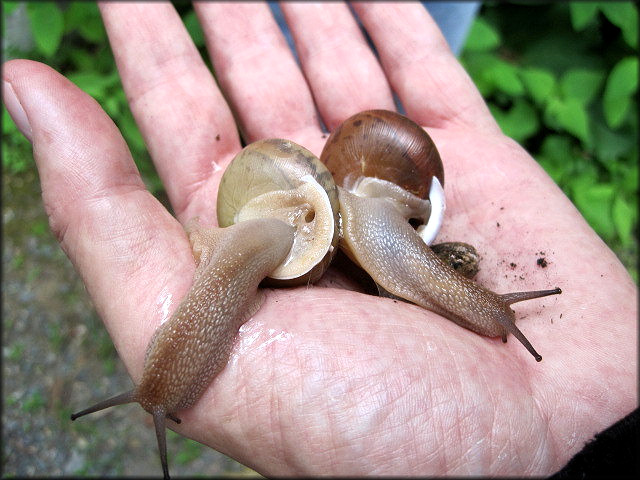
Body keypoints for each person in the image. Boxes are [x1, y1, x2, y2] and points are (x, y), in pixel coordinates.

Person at [3, 2, 637, 476]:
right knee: (255, 247)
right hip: (315, 201)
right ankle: (167, 384)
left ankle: (485, 309)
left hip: (367, 191)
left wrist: (570, 418)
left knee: (351, 244)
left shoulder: (366, 204)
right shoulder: (288, 214)